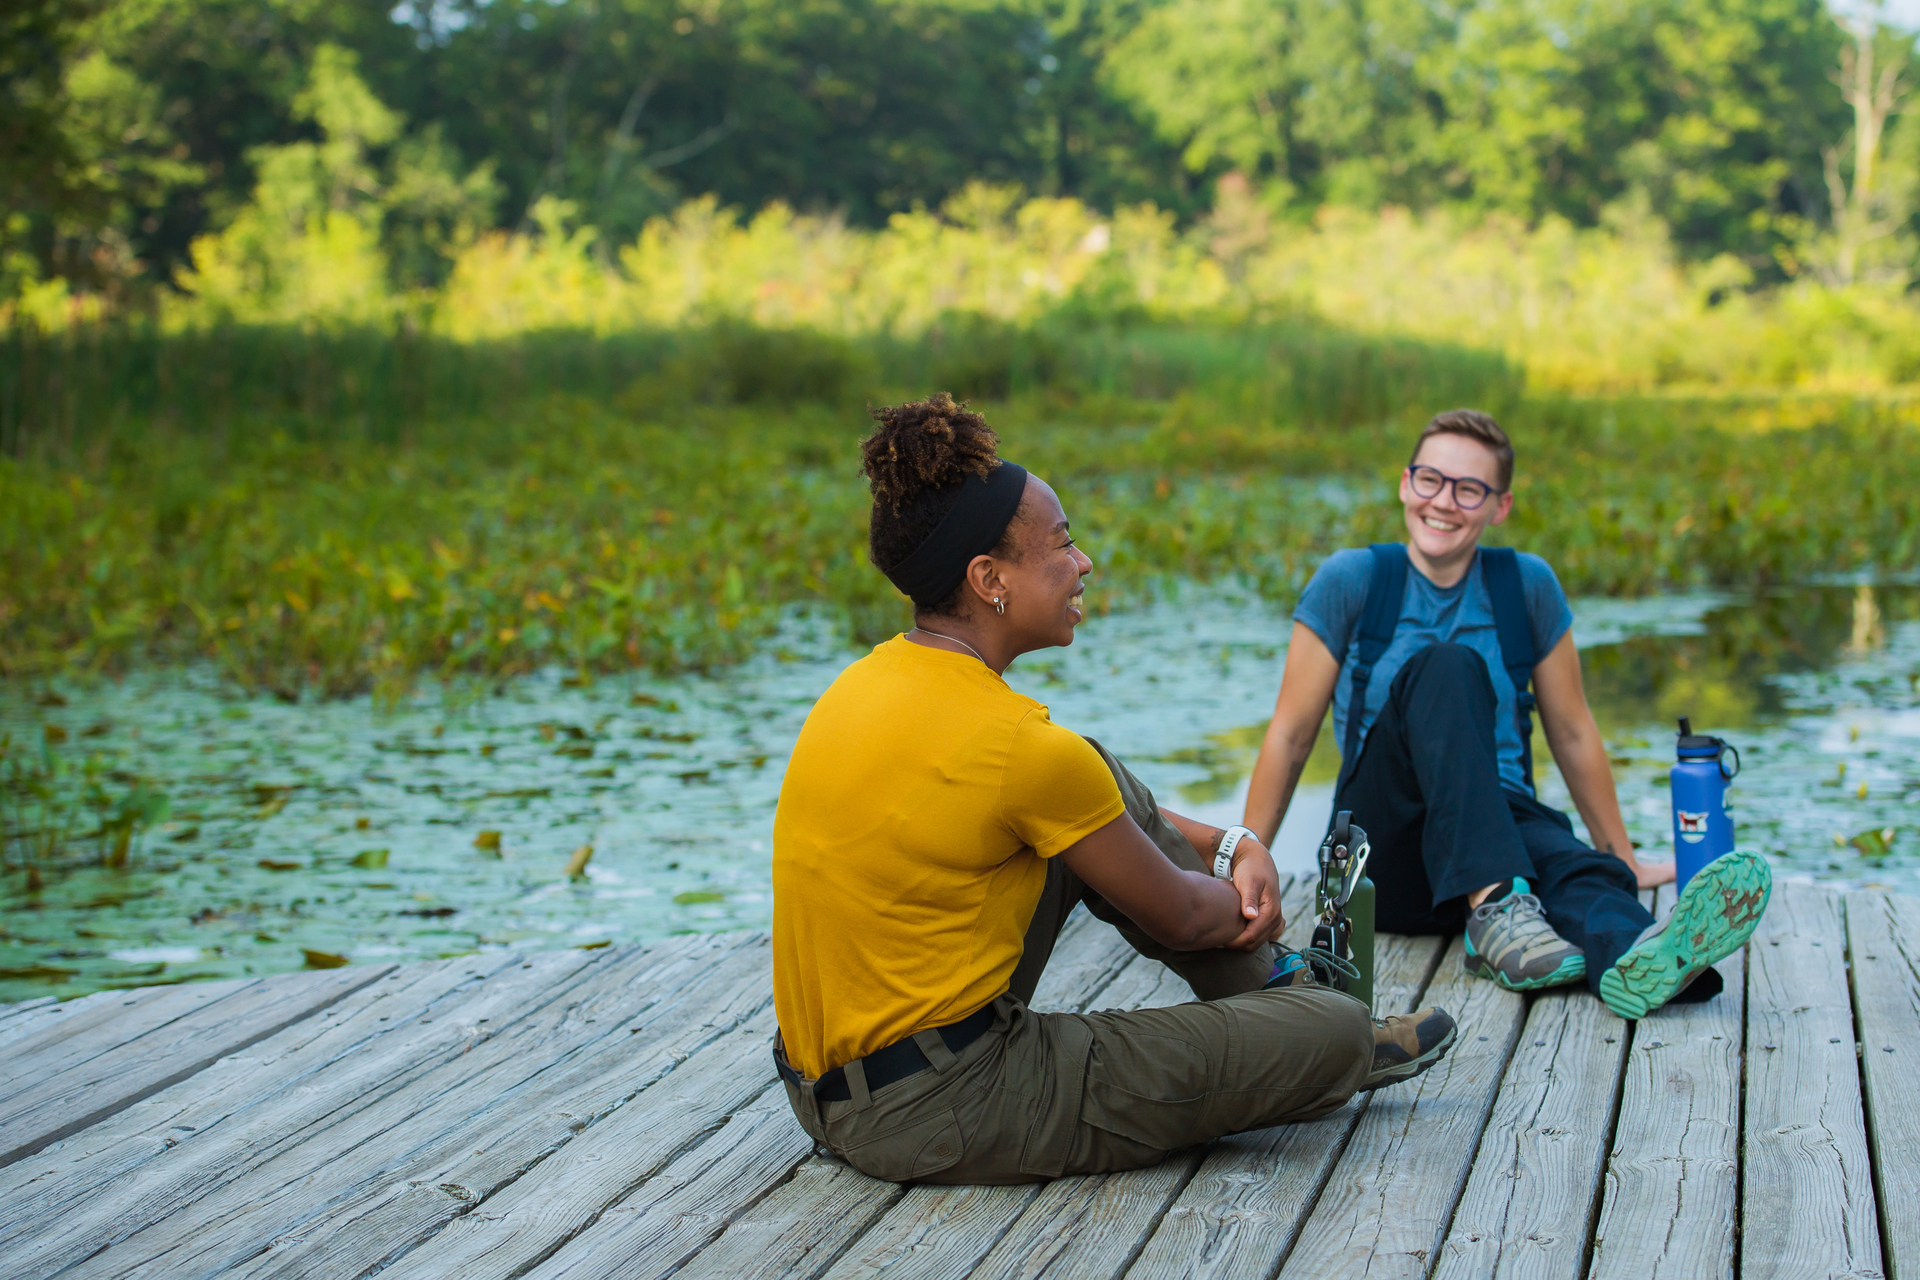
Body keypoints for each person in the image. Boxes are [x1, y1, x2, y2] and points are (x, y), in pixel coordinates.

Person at [770, 394, 1456, 1185]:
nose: (1083, 561)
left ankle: (1288, 989)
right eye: (1061, 544)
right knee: (1334, 1037)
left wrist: (1232, 841)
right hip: (945, 1108)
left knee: (1085, 768)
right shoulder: (1018, 747)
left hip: (826, 1095)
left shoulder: (862, 686)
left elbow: (1083, 810)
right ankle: (1322, 1013)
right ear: (989, 579)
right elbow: (1183, 914)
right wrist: (1242, 893)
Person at [1242, 410, 1770, 1020]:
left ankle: (1644, 956)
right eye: (1430, 480)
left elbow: (1572, 731)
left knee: (1584, 871)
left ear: (1500, 505)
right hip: (1383, 854)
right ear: (1404, 483)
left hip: (1499, 818)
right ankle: (1496, 910)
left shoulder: (1526, 585)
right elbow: (1291, 733)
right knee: (1445, 666)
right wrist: (1251, 858)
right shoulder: (1353, 579)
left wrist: (1619, 851)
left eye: (1469, 489)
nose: (1445, 501)